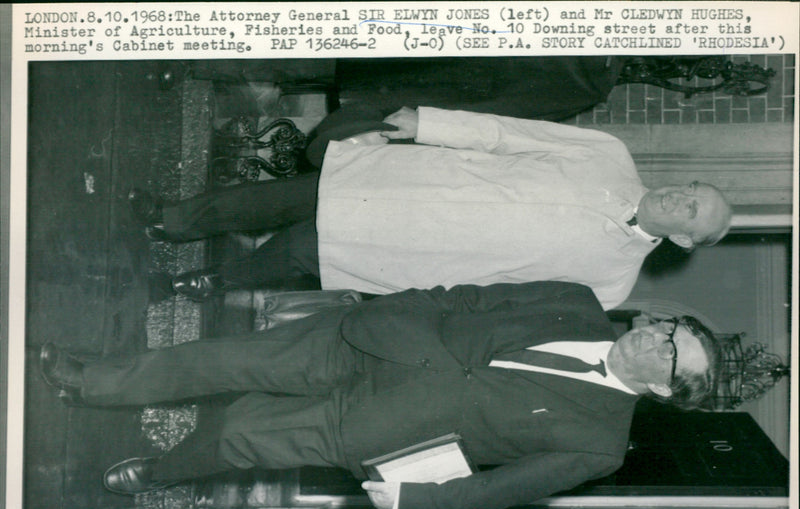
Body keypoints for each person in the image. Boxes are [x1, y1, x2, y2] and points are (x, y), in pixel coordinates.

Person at [40, 280, 721, 509]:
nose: (656, 336)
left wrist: (414, 501)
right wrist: (398, 309)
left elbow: (498, 491)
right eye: (669, 329)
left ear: (666, 390)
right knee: (222, 359)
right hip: (367, 343)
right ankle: (91, 379)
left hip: (374, 425)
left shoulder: (598, 446)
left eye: (671, 353)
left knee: (239, 437)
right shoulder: (576, 301)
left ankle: (161, 472)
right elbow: (470, 299)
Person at [130, 105, 732, 310]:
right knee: (277, 199)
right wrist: (428, 125)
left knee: (293, 254)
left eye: (691, 213)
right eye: (693, 191)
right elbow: (509, 134)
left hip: (415, 248)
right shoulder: (608, 153)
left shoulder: (612, 284)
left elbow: (504, 303)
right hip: (413, 181)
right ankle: (170, 220)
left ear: (683, 240)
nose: (681, 199)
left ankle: (204, 282)